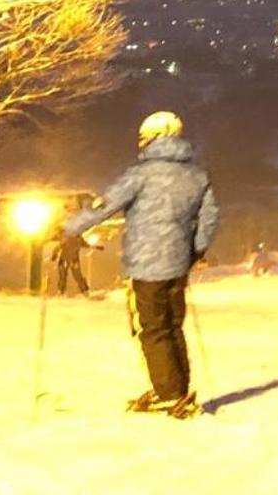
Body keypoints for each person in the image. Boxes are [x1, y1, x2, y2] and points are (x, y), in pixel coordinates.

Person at [62, 110, 220, 417]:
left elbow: (105, 205)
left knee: (150, 328)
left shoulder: (140, 174)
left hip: (145, 266)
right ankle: (176, 388)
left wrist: (70, 229)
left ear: (154, 138)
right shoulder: (198, 175)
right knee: (173, 327)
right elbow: (209, 217)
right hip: (179, 264)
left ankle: (169, 394)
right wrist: (196, 249)